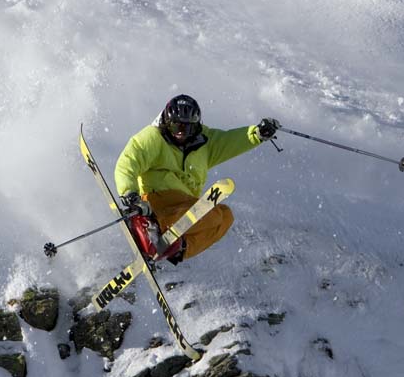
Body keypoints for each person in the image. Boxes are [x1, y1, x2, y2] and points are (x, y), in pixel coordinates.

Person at [114, 94, 280, 264]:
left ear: (195, 126)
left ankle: (176, 249)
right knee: (213, 214)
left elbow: (231, 141)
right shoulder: (154, 137)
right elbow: (128, 162)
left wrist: (257, 134)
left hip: (185, 204)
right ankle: (150, 230)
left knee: (225, 216)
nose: (180, 133)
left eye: (186, 128)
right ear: (166, 122)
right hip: (158, 199)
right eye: (175, 126)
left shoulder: (205, 142)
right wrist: (130, 194)